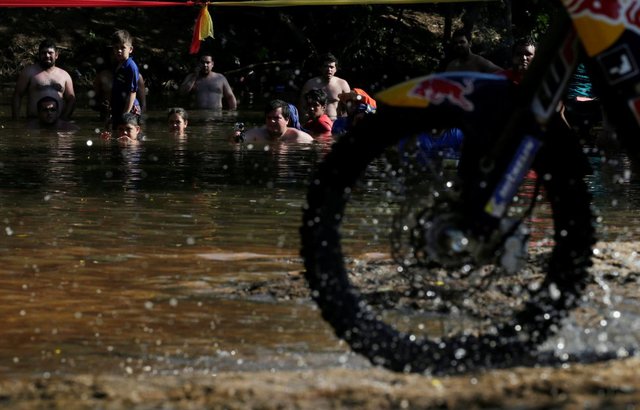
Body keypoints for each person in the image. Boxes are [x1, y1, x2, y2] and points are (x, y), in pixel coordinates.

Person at [12, 38, 76, 120]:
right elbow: (17, 95)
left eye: (50, 53)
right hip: (33, 121)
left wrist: (64, 118)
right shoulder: (29, 72)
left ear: (56, 55)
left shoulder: (65, 75)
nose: (47, 55)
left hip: (57, 121)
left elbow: (71, 99)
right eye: (43, 53)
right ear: (39, 55)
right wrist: (16, 119)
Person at [93, 51, 147, 122]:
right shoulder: (101, 76)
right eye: (113, 53)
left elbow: (143, 104)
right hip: (107, 115)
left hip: (130, 116)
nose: (116, 56)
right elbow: (95, 99)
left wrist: (140, 120)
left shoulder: (136, 75)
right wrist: (101, 105)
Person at [299, 53, 351, 121]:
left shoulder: (342, 84)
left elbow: (349, 108)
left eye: (331, 67)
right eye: (326, 66)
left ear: (336, 69)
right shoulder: (310, 84)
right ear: (320, 68)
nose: (329, 69)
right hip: (315, 123)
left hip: (335, 123)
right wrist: (307, 121)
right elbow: (302, 106)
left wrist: (344, 123)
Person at [239, 99, 314, 144]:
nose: (272, 121)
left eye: (276, 118)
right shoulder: (257, 134)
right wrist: (236, 137)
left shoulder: (299, 137)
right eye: (269, 118)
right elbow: (238, 140)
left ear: (287, 120)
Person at [110, 29, 141, 129]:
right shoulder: (117, 65)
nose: (119, 50)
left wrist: (125, 114)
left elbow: (132, 92)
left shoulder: (131, 67)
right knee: (115, 132)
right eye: (116, 47)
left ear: (130, 49)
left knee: (128, 133)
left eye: (123, 47)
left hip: (130, 109)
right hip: (118, 106)